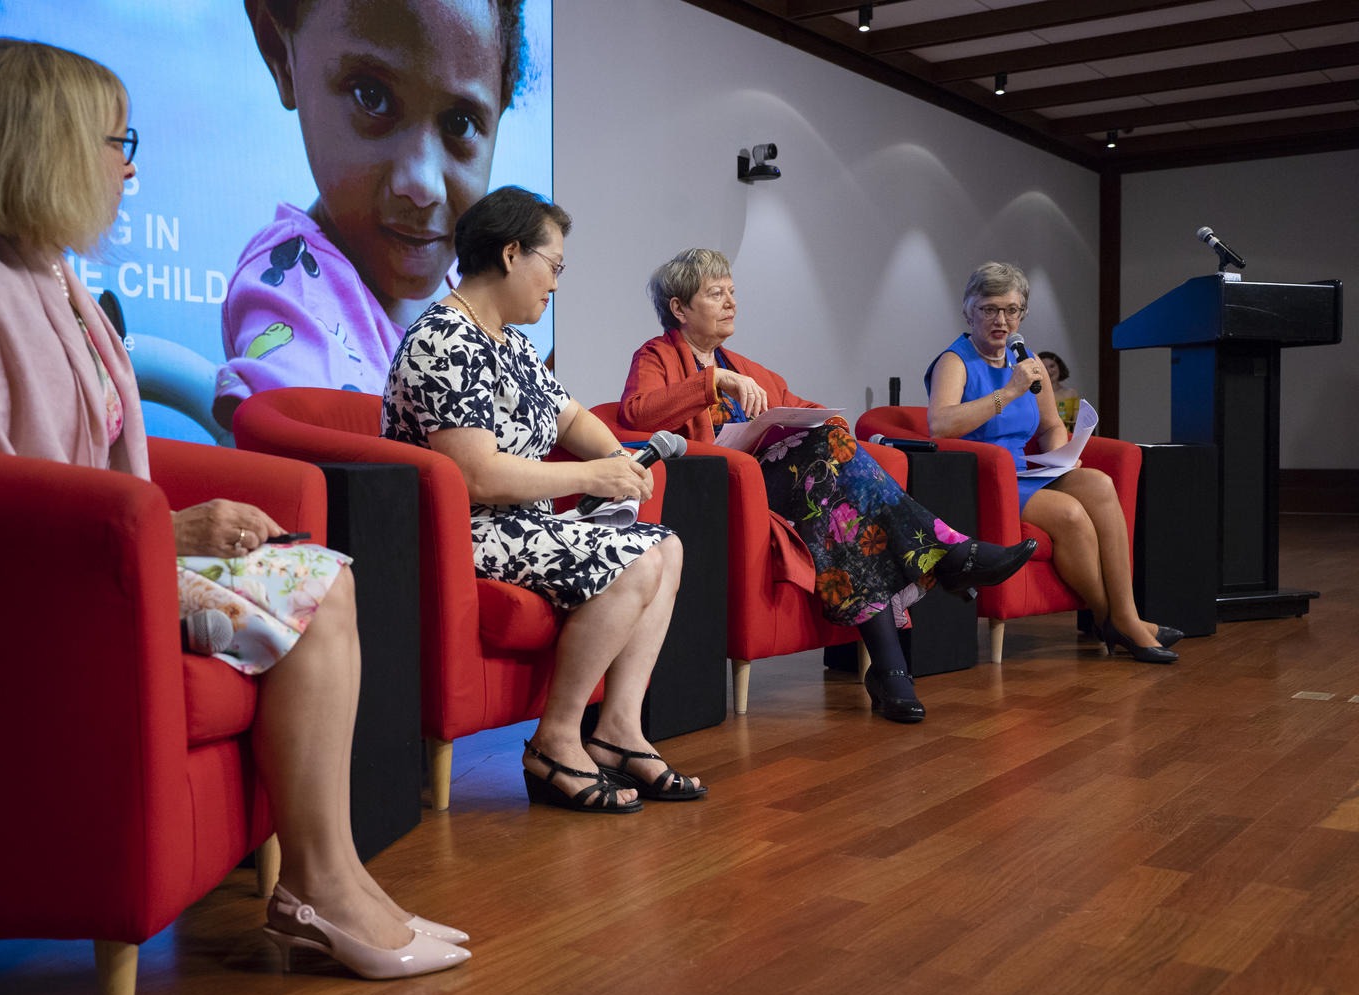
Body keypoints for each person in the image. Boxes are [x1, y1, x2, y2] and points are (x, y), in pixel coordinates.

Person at [0, 38, 469, 980]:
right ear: (53, 146)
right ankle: (321, 886)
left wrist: (174, 527)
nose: (131, 164)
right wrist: (171, 533)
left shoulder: (48, 275)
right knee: (316, 591)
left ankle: (329, 874)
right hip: (38, 601)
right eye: (118, 140)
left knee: (326, 579)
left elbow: (82, 476)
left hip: (97, 566)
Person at [383, 186, 703, 809]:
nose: (555, 283)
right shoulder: (444, 341)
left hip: (517, 527)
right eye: (553, 266)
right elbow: (474, 475)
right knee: (635, 559)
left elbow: (570, 417)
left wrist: (616, 461)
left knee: (668, 548)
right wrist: (589, 480)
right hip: (466, 536)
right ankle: (556, 739)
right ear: (510, 254)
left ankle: (618, 731)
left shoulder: (512, 342)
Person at [620, 248, 1037, 724]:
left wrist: (821, 420)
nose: (732, 303)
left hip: (797, 496)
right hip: (723, 499)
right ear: (679, 308)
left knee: (847, 525)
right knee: (837, 498)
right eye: (716, 295)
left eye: (732, 293)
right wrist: (714, 382)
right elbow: (637, 413)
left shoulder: (751, 368)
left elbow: (807, 409)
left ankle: (892, 670)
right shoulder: (657, 356)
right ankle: (950, 553)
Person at [213, 0, 527, 429]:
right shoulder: (290, 284)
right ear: (281, 55)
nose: (421, 185)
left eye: (460, 123)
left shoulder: (464, 299)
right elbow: (340, 467)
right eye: (372, 97)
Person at [926, 261, 1182, 663]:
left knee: (1099, 483)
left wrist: (1061, 454)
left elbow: (1049, 425)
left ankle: (1126, 615)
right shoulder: (955, 361)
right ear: (968, 310)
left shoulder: (1024, 359)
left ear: (1022, 314)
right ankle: (1111, 619)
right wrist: (1008, 392)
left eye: (1011, 310)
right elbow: (940, 425)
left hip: (1024, 472)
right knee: (1070, 514)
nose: (1001, 320)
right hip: (981, 478)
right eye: (990, 309)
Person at [1038, 350, 1082, 431]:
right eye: (1044, 368)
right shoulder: (1033, 396)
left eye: (1052, 366)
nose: (1049, 371)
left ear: (1059, 367)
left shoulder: (1072, 393)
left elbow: (1078, 425)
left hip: (1068, 439)